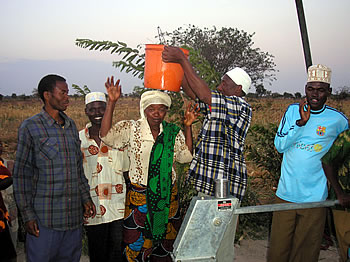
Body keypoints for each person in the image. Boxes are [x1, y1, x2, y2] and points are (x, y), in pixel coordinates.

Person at [100, 76, 199, 261]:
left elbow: (186, 156)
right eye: (152, 109)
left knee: (164, 245)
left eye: (161, 109)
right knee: (137, 244)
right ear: (144, 109)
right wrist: (111, 103)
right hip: (140, 198)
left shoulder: (172, 132)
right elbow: (106, 136)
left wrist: (187, 127)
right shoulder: (131, 128)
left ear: (166, 112)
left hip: (167, 197)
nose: (156, 113)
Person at [267, 64, 349, 262]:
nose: (315, 94)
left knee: (305, 254)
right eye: (311, 89)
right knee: (278, 251)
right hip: (286, 194)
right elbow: (279, 145)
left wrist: (340, 189)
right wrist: (301, 124)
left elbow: (342, 155)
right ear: (305, 88)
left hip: (315, 197)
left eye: (321, 90)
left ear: (328, 91)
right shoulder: (293, 111)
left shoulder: (338, 120)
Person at [13, 74, 96, 262]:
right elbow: (21, 175)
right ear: (47, 95)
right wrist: (27, 215)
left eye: (68, 92)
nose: (68, 97)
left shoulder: (70, 125)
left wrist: (85, 198)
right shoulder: (31, 127)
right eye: (63, 92)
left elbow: (77, 168)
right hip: (45, 219)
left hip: (72, 219)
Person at [162, 46, 252, 200]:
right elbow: (193, 92)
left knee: (222, 222)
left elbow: (204, 95)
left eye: (224, 84)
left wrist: (183, 60)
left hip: (225, 181)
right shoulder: (221, 106)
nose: (219, 87)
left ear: (238, 89)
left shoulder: (240, 106)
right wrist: (178, 65)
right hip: (210, 179)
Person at [79, 91, 128, 261]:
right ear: (86, 111)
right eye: (93, 110)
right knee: (97, 252)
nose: (97, 113)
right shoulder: (78, 140)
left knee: (117, 252)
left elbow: (127, 171)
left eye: (101, 109)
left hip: (118, 206)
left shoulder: (120, 137)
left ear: (107, 109)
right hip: (92, 206)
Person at [322, 129, 350, 262]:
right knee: (347, 247)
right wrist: (340, 193)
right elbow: (328, 162)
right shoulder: (347, 137)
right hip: (345, 204)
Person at [0, 140, 18, 251]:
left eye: (0, 144)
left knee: (11, 247)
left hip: (11, 212)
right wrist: (13, 178)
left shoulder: (10, 165)